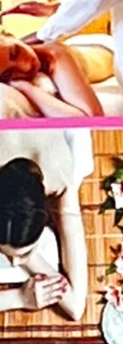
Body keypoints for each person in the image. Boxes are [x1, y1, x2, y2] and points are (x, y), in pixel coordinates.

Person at [0, 132, 89, 321]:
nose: (16, 263)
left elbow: (76, 305)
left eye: (25, 252)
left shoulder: (57, 170)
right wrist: (18, 298)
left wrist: (26, 259)